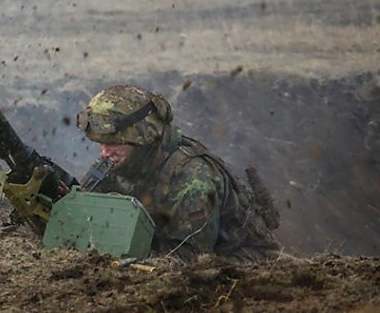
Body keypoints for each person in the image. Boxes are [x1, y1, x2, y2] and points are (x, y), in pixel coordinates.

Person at [76, 85, 281, 262]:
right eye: (100, 143)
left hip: (240, 261)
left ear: (143, 139)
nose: (104, 152)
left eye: (113, 143)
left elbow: (189, 260)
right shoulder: (122, 160)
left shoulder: (192, 181)